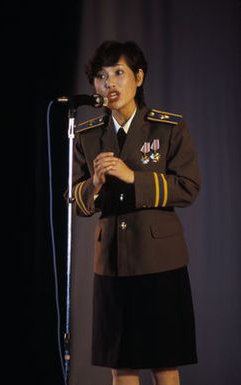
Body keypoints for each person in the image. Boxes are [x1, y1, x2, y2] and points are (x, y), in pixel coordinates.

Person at [71, 40, 200, 385]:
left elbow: (188, 187)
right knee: (122, 365)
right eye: (100, 76)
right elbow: (77, 202)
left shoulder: (168, 127)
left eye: (118, 73)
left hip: (160, 260)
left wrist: (134, 178)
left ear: (138, 78)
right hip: (112, 262)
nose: (109, 83)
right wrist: (95, 184)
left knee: (164, 363)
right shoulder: (87, 135)